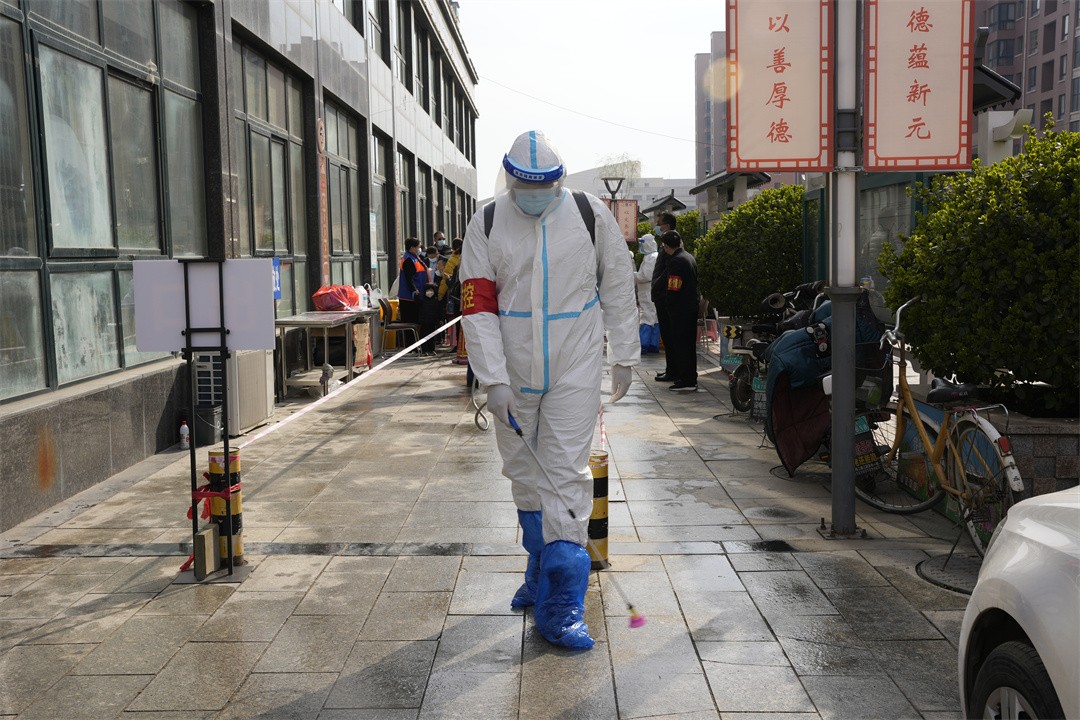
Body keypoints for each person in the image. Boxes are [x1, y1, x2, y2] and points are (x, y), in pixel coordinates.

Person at [459, 130, 639, 650]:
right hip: (512, 369)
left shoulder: (588, 215)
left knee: (563, 475)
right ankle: (539, 568)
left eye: (544, 187)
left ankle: (562, 604)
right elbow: (477, 307)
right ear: (510, 180)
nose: (535, 196)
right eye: (525, 187)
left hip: (574, 363)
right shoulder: (486, 223)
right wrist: (492, 379)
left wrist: (624, 354)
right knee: (523, 472)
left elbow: (617, 282)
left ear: (558, 181)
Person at [659, 230, 698, 391]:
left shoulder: (676, 261)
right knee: (688, 345)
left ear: (666, 246)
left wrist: (669, 305)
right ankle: (690, 377)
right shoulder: (688, 257)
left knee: (681, 345)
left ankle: (686, 380)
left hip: (680, 310)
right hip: (690, 308)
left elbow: (673, 288)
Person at [650, 212, 680, 380]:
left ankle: (673, 371)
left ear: (667, 226)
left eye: (659, 223)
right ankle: (671, 369)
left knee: (669, 335)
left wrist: (656, 286)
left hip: (664, 296)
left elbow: (668, 269)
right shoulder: (667, 243)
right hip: (661, 295)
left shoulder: (673, 244)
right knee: (667, 335)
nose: (657, 226)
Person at [633, 234, 660, 353]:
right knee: (654, 317)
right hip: (649, 291)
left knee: (647, 316)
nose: (641, 246)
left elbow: (645, 276)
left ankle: (644, 344)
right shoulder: (652, 256)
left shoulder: (651, 258)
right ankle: (653, 344)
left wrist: (633, 275)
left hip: (647, 292)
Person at [397, 237, 426, 325]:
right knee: (411, 323)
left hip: (413, 296)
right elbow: (409, 278)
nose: (419, 249)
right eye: (418, 247)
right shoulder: (409, 260)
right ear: (412, 248)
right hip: (409, 298)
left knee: (415, 322)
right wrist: (414, 290)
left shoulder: (414, 258)